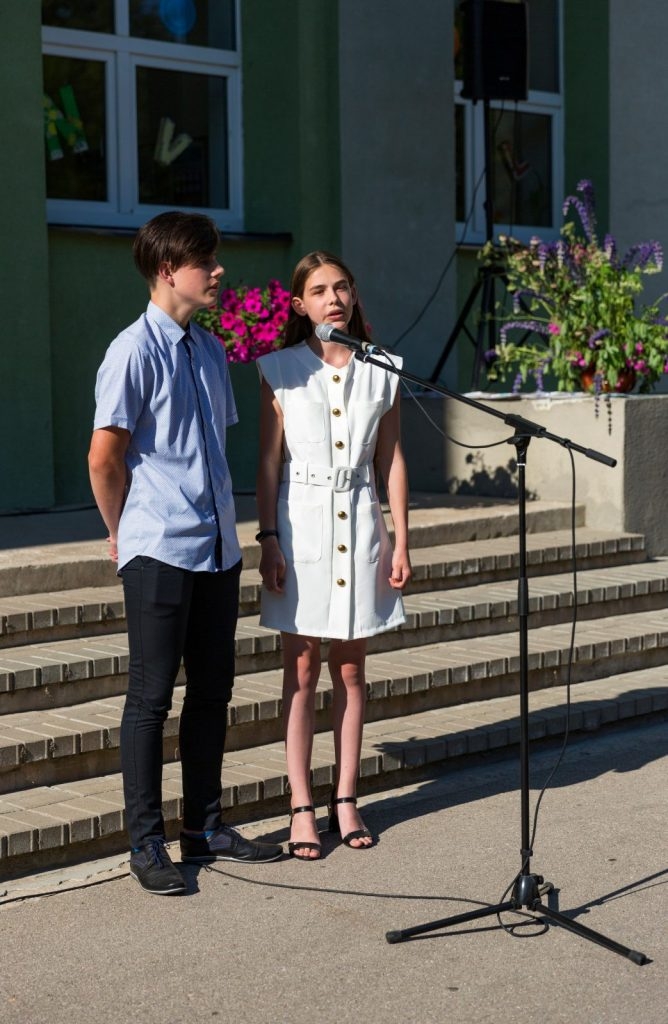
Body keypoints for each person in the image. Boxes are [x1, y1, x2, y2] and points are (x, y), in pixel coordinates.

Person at [88, 211, 283, 896]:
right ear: (170, 270)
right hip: (159, 547)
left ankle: (203, 827)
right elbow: (104, 458)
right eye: (207, 260)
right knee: (151, 697)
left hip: (216, 548)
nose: (219, 271)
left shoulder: (208, 350)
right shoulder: (131, 352)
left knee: (212, 691)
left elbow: (211, 451)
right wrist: (122, 530)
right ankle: (146, 842)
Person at [255, 251, 411, 860]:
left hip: (362, 522)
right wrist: (268, 538)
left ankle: (346, 797)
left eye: (342, 287)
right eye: (319, 290)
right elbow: (269, 462)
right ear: (301, 304)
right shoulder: (279, 369)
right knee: (300, 669)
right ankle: (300, 804)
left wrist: (401, 538)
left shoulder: (383, 369)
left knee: (350, 669)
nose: (334, 298)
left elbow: (391, 459)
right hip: (301, 528)